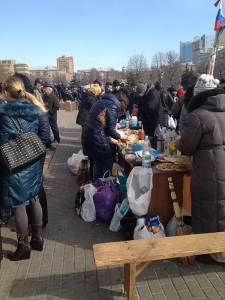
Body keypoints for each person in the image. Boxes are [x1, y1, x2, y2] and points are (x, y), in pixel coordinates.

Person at [176, 74, 225, 265]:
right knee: (221, 207)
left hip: (208, 169)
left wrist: (178, 141)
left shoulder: (197, 116)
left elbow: (186, 146)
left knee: (207, 208)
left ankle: (209, 252)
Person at [0, 76, 46, 261]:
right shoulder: (32, 110)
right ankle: (38, 238)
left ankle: (23, 246)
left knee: (19, 206)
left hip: (15, 165)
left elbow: (3, 144)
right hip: (31, 162)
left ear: (5, 92)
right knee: (34, 198)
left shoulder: (4, 115)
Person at [13, 73, 50, 228]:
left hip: (33, 155)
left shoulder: (35, 103)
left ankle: (40, 222)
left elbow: (45, 133)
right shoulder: (16, 106)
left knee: (36, 189)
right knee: (27, 190)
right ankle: (32, 224)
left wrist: (34, 150)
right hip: (25, 155)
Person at [82, 93, 127, 179]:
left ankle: (97, 186)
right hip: (97, 135)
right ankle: (105, 186)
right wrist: (120, 136)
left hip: (88, 133)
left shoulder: (102, 101)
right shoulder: (114, 105)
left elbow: (102, 123)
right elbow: (111, 129)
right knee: (107, 162)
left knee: (98, 162)